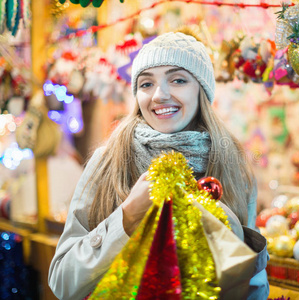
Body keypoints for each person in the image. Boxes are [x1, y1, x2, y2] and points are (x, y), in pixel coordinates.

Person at [48, 31, 269, 300]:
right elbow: (62, 283)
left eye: (178, 80)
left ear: (202, 89)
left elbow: (255, 288)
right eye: (146, 84)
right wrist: (127, 218)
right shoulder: (108, 161)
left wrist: (232, 229)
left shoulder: (232, 165)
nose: (160, 95)